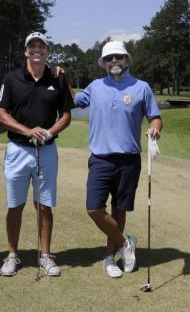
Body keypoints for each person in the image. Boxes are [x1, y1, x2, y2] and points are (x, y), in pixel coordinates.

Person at [73, 41, 162, 278]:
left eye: (119, 58)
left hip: (129, 160)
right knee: (94, 208)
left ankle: (110, 258)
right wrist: (57, 79)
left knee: (119, 209)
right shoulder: (94, 86)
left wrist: (154, 129)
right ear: (104, 63)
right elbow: (71, 101)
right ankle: (125, 243)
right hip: (101, 158)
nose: (114, 62)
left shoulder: (142, 87)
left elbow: (155, 116)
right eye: (109, 58)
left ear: (127, 60)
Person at [0, 32, 73, 277]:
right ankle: (12, 256)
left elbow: (66, 115)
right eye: (32, 46)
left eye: (42, 46)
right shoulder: (12, 78)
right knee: (14, 205)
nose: (37, 50)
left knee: (45, 205)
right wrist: (27, 130)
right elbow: (2, 114)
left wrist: (49, 132)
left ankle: (45, 256)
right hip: (18, 150)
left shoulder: (58, 79)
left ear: (48, 52)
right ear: (25, 51)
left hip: (47, 150)